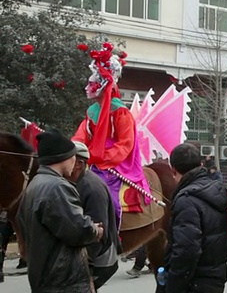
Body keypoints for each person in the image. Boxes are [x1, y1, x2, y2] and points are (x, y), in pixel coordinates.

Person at [72, 42, 151, 229]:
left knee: (108, 198)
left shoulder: (120, 112)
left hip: (115, 163)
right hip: (91, 158)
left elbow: (125, 143)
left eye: (91, 84)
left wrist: (102, 159)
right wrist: (71, 151)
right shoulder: (92, 110)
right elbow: (81, 136)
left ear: (103, 85)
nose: (86, 87)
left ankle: (111, 234)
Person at [17, 130, 103, 293]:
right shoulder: (58, 187)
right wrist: (95, 230)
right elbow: (77, 230)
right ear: (64, 158)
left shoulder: (34, 185)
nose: (75, 162)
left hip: (43, 278)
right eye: (73, 156)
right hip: (64, 281)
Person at [163, 143, 227, 293]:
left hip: (193, 283)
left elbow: (186, 251)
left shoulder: (186, 201)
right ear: (200, 164)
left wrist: (172, 287)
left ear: (173, 170)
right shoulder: (217, 191)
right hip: (215, 279)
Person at [69, 141, 119, 290]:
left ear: (78, 163)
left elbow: (97, 234)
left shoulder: (92, 188)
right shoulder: (75, 182)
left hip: (96, 260)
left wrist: (85, 270)